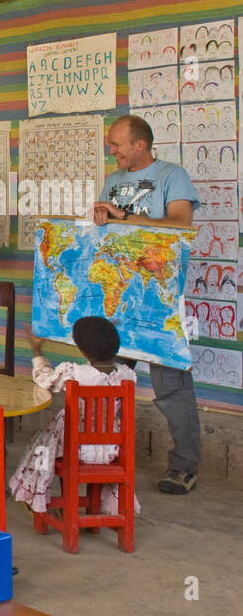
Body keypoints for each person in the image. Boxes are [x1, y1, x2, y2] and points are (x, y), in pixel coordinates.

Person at [91, 114, 201, 495]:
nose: (112, 149)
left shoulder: (173, 175)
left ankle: (184, 467)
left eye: (117, 143)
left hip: (158, 299)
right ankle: (99, 457)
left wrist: (126, 216)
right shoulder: (113, 181)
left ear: (140, 144)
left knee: (171, 386)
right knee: (105, 380)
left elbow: (182, 223)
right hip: (118, 297)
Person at [10, 318, 139, 517]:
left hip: (77, 450)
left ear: (83, 351)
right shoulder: (127, 375)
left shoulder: (74, 373)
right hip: (111, 450)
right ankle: (76, 503)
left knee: (40, 445)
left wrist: (37, 350)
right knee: (54, 438)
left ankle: (35, 494)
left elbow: (44, 380)